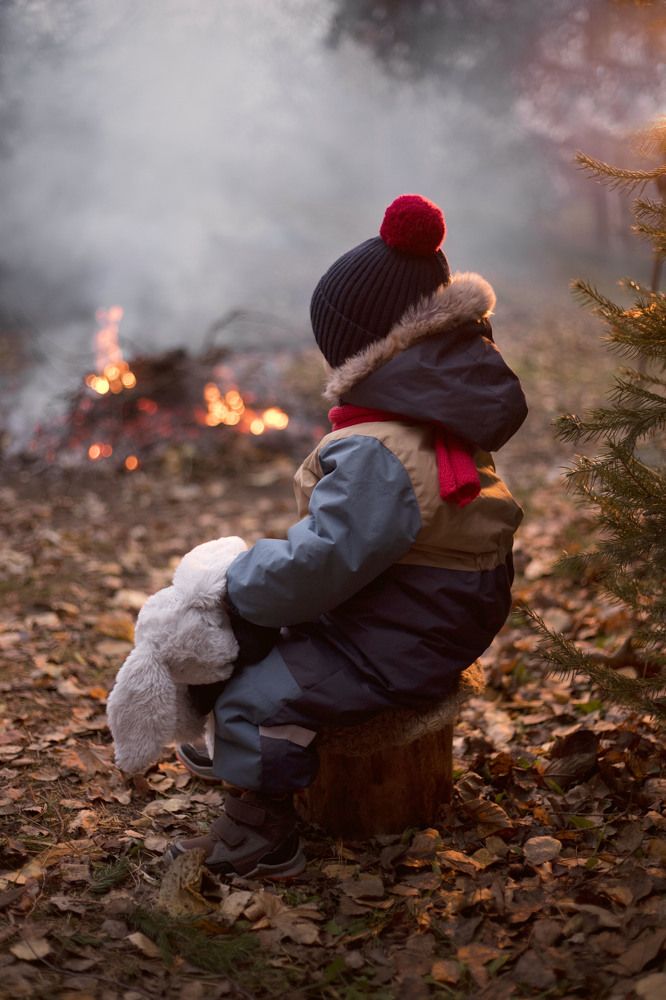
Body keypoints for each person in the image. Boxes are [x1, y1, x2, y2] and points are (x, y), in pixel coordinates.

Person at [169, 194, 527, 878]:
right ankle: (237, 749)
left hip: (406, 632)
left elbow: (325, 561)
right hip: (418, 609)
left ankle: (260, 834)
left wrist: (240, 583)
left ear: (362, 345)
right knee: (274, 640)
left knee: (260, 699)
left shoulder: (377, 449)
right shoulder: (420, 420)